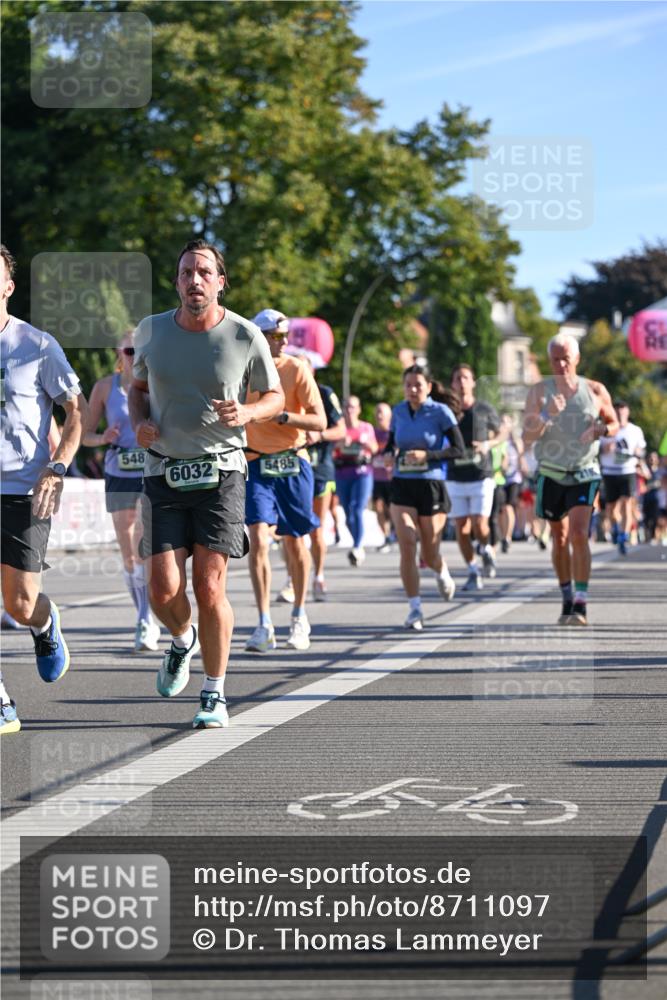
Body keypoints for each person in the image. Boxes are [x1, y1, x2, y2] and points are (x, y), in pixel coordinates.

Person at [129, 239, 283, 729]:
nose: (194, 280)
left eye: (203, 272)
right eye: (185, 273)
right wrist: (139, 423)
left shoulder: (244, 335)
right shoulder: (151, 331)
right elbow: (137, 389)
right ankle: (182, 639)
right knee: (161, 589)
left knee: (209, 585)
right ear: (177, 282)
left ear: (220, 282)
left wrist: (249, 411)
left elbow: (275, 397)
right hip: (163, 471)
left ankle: (214, 693)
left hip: (222, 473)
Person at [0, 244, 87, 734]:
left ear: (8, 286)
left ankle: (44, 623)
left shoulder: (36, 345)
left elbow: (76, 411)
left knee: (18, 604)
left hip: (23, 490)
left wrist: (57, 467)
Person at [244, 309, 325, 653]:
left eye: (285, 335)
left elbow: (320, 421)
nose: (283, 341)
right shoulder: (242, 370)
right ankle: (264, 623)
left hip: (292, 461)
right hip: (255, 463)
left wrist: (285, 416)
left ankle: (299, 615)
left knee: (294, 541)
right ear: (259, 338)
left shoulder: (297, 368)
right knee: (258, 538)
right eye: (276, 336)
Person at [522, 333, 618, 626]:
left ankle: (581, 601)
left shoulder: (595, 390)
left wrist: (599, 430)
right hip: (551, 472)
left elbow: (614, 423)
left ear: (577, 358)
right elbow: (527, 437)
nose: (561, 364)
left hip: (584, 471)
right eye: (555, 359)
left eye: (566, 358)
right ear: (549, 361)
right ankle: (566, 595)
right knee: (560, 537)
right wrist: (546, 415)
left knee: (578, 533)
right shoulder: (539, 392)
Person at [83, 332, 160, 652]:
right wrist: (103, 438)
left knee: (144, 540)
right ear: (119, 352)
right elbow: (85, 435)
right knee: (128, 549)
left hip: (151, 470)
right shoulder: (105, 387)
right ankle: (143, 613)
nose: (135, 355)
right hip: (118, 471)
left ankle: (146, 617)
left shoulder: (156, 383)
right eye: (130, 350)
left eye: (141, 350)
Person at [384, 364, 464, 630]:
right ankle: (415, 608)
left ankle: (440, 570)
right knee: (407, 543)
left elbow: (458, 449)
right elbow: (391, 444)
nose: (413, 390)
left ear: (428, 387)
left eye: (418, 385)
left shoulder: (440, 412)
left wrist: (427, 456)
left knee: (429, 553)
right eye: (408, 385)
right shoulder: (398, 411)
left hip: (431, 485)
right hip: (402, 484)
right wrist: (388, 455)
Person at [447, 364, 504, 591]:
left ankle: (487, 549)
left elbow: (502, 432)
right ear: (452, 384)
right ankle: (472, 570)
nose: (462, 382)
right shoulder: (447, 411)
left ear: (472, 382)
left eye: (465, 378)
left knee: (479, 524)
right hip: (455, 476)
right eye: (457, 378)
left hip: (481, 475)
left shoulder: (483, 408)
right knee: (461, 527)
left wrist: (488, 444)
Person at [304, 363, 345, 601]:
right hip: (291, 468)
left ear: (312, 372)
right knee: (291, 531)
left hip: (320, 470)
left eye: (303, 367)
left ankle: (318, 576)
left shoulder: (325, 393)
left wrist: (319, 435)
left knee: (316, 529)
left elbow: (341, 430)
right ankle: (292, 578)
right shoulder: (281, 391)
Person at [333, 396, 377, 566]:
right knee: (348, 513)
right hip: (343, 473)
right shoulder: (339, 428)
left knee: (357, 508)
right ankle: (358, 542)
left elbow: (374, 448)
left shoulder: (366, 427)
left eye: (352, 407)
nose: (349, 410)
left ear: (358, 409)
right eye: (346, 407)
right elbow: (331, 451)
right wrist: (340, 444)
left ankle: (357, 546)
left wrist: (362, 442)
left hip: (362, 473)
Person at [598, 400, 646, 555]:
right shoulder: (606, 429)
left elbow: (642, 449)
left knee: (627, 503)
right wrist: (604, 449)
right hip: (610, 472)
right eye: (617, 411)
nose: (620, 414)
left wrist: (638, 452)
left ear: (627, 412)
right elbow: (595, 449)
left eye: (622, 411)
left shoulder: (635, 430)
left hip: (627, 471)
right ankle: (616, 528)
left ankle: (624, 536)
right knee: (611, 509)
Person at [372, 402, 394, 552]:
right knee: (379, 508)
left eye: (382, 412)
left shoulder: (393, 433)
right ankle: (386, 537)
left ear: (389, 416)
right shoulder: (372, 433)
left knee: (392, 509)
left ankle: (394, 532)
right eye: (377, 412)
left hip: (392, 479)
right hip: (376, 478)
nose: (379, 415)